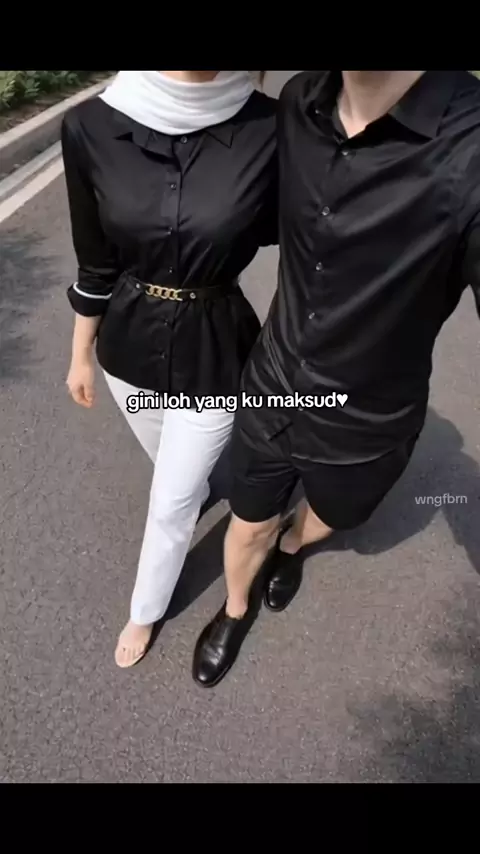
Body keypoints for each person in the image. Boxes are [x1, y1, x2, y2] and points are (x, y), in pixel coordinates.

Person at [193, 69, 480, 688]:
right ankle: (235, 608)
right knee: (248, 519)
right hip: (273, 384)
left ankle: (293, 548)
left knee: (332, 514)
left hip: (366, 425)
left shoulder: (471, 142)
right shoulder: (299, 99)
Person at [62, 70, 277, 668]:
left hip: (216, 349)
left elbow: (314, 231)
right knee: (169, 463)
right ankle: (201, 486)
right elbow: (95, 263)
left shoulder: (270, 127)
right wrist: (80, 354)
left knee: (171, 500)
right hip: (128, 348)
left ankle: (146, 608)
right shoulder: (89, 126)